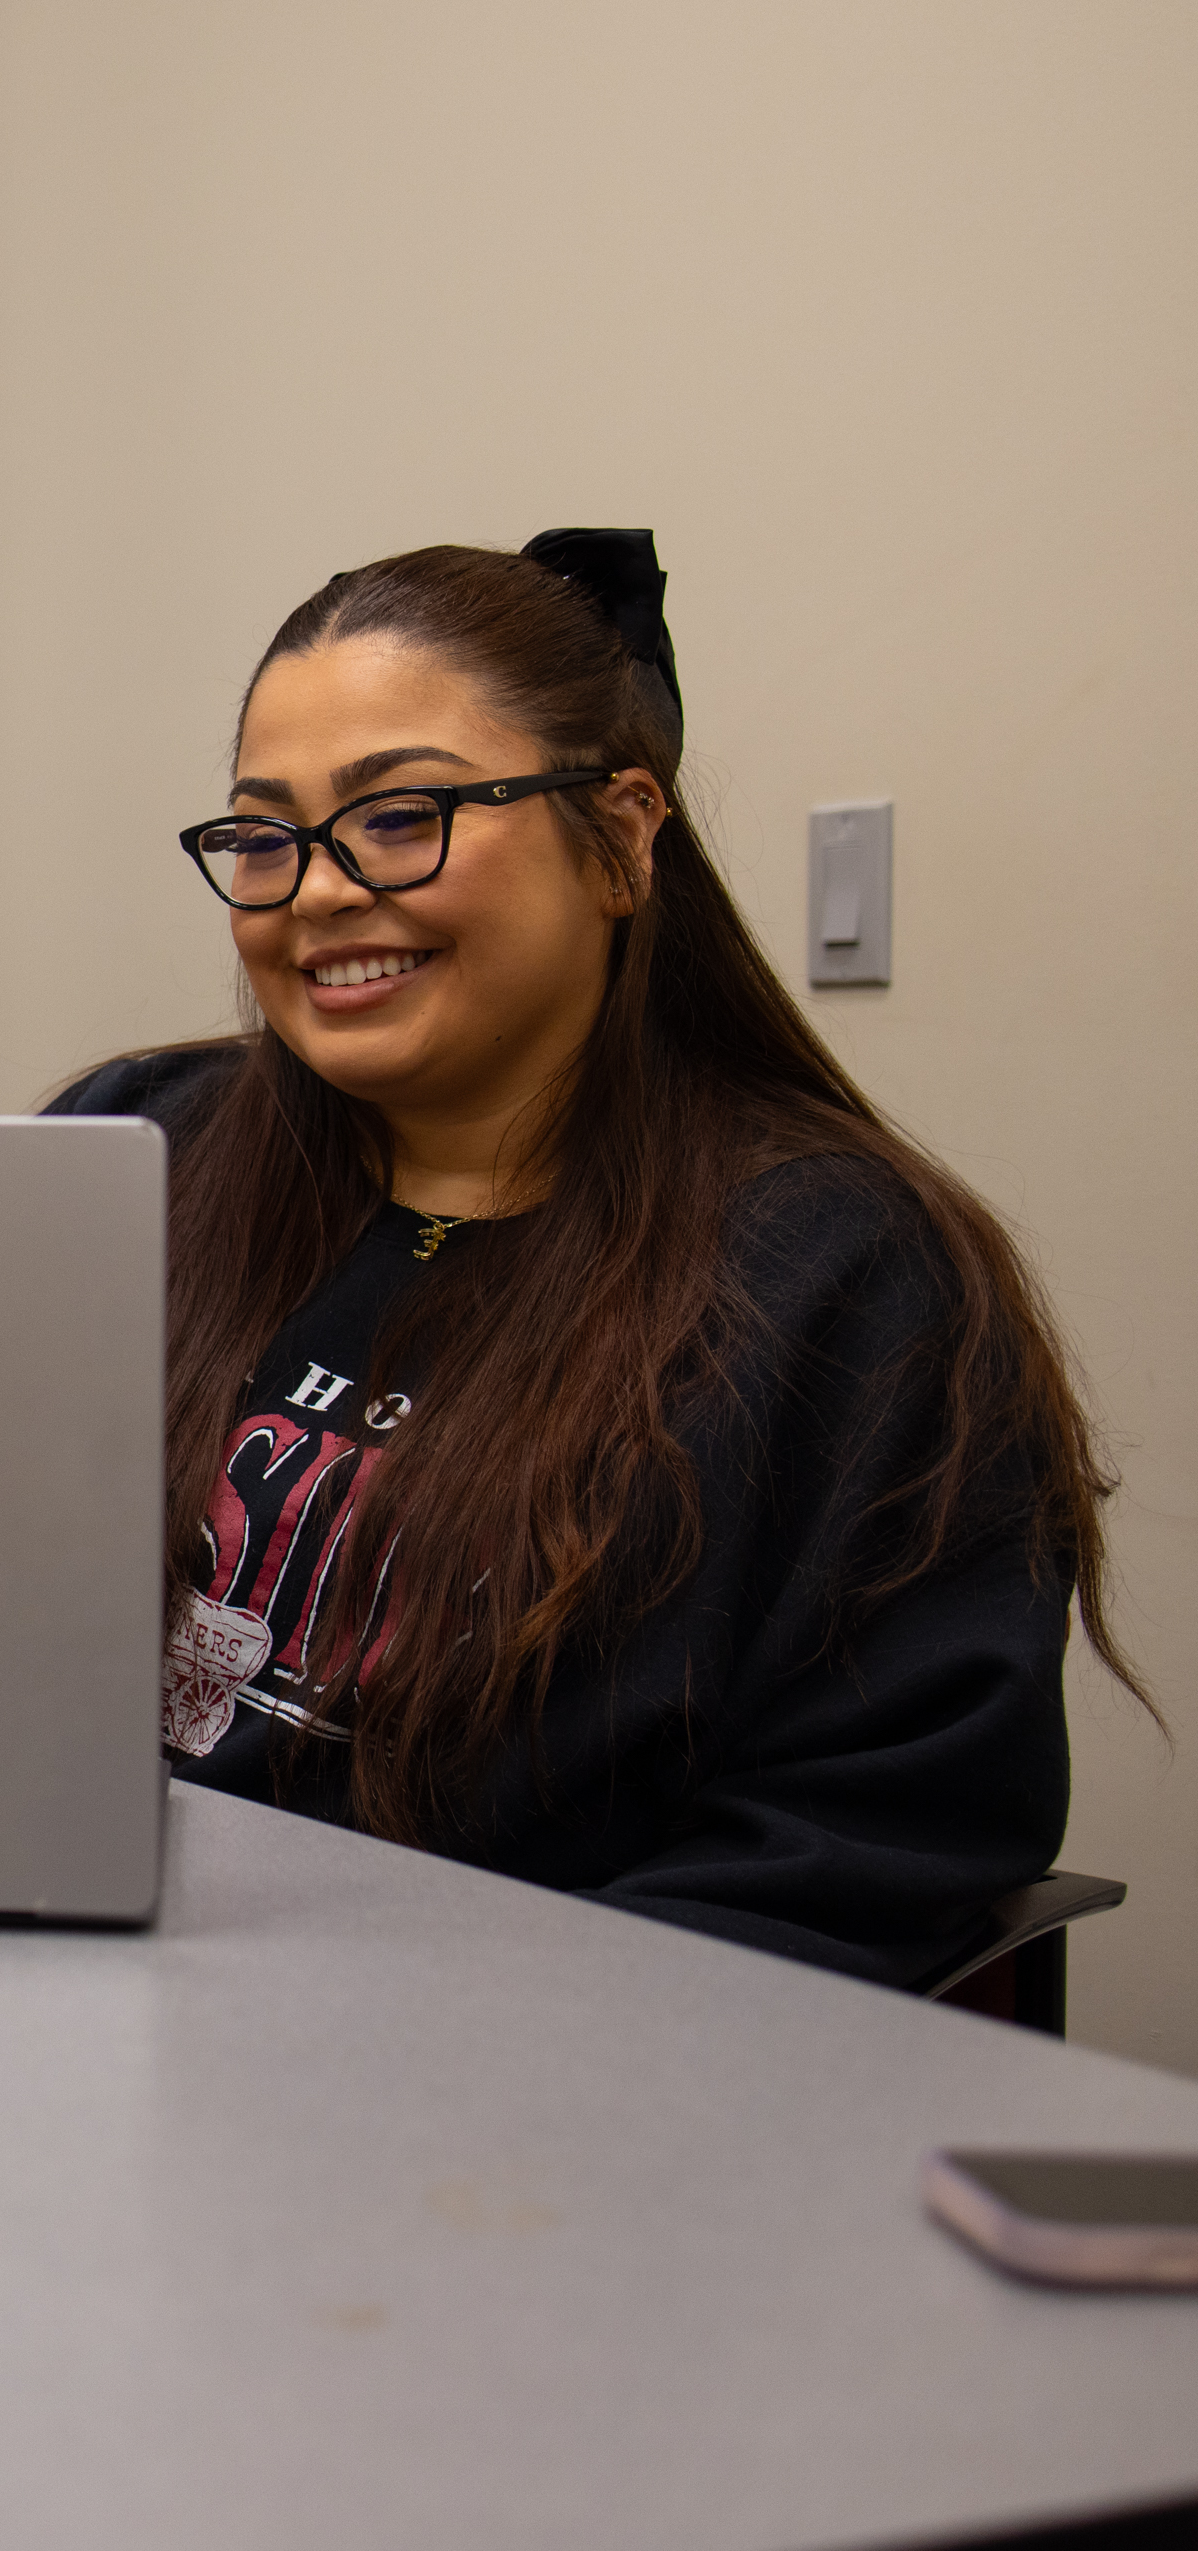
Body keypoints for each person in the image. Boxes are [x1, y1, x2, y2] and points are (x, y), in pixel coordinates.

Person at [56, 530, 1139, 1988]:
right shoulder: (138, 1150)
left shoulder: (841, 1278)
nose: (313, 891)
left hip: (509, 2091)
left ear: (623, 837)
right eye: (263, 837)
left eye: (403, 818)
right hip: (74, 1988)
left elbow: (858, 1857)